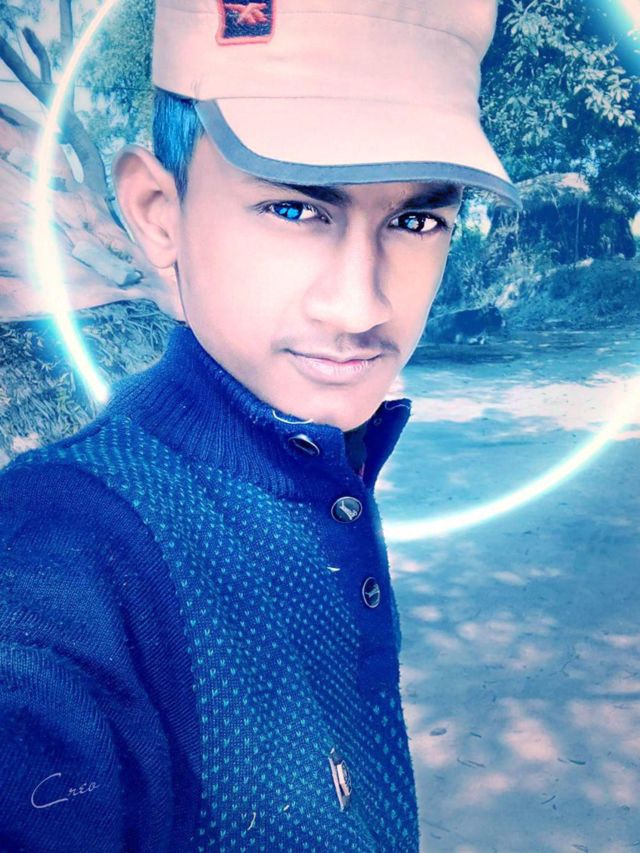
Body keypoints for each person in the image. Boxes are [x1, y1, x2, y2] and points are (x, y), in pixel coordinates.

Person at [0, 0, 520, 849]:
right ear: (158, 212)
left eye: (415, 219)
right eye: (295, 210)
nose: (360, 305)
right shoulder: (57, 552)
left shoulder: (325, 468)